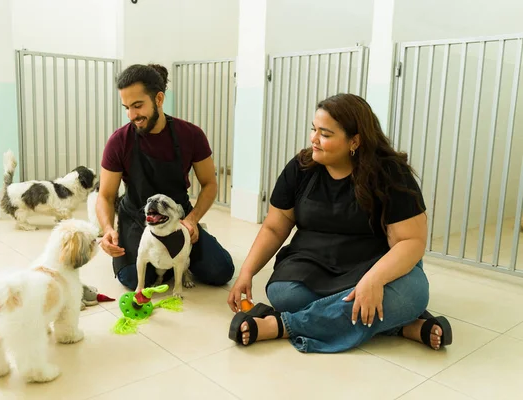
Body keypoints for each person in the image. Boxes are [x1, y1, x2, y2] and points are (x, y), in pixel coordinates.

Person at [227, 93, 453, 353]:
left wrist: (374, 280)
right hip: (311, 261)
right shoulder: (300, 168)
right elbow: (275, 227)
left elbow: (411, 242)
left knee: (413, 293)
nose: (314, 139)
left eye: (325, 134)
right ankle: (398, 325)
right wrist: (247, 272)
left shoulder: (390, 173)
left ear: (354, 141)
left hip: (374, 263)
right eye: (314, 130)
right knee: (285, 294)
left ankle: (281, 325)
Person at [97, 63, 234, 290]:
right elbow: (106, 195)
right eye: (126, 107)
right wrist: (108, 230)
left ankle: (175, 260)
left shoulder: (191, 135)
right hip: (137, 218)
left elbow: (209, 184)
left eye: (138, 106)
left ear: (159, 99)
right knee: (134, 278)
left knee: (221, 270)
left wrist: (192, 220)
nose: (132, 115)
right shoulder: (119, 141)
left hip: (178, 217)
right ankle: (171, 263)